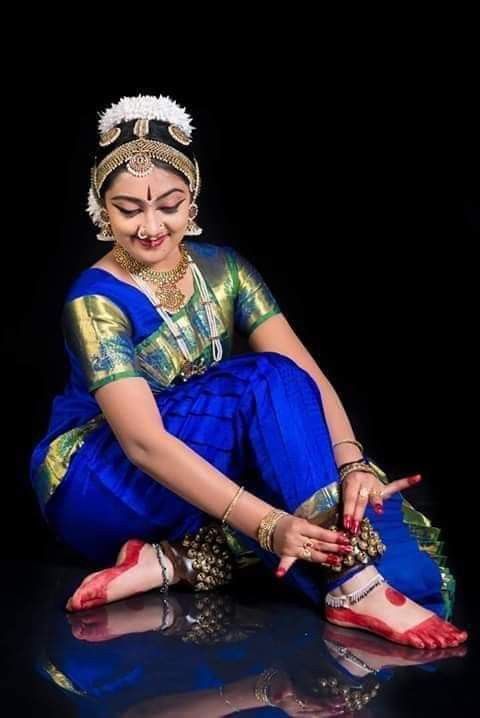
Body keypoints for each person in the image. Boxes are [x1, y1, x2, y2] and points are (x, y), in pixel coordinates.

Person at [30, 94, 467, 649]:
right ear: (100, 208)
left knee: (410, 571)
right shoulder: (93, 300)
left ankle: (177, 561)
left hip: (200, 462)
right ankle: (353, 588)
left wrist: (353, 463)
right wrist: (270, 524)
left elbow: (305, 372)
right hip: (102, 479)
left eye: (169, 204)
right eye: (128, 209)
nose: (150, 226)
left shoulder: (224, 268)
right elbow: (142, 442)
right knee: (265, 380)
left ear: (193, 199)